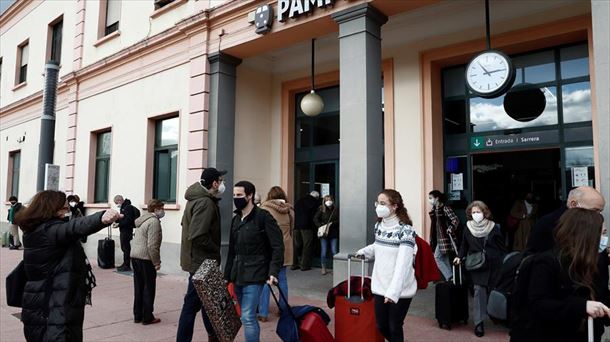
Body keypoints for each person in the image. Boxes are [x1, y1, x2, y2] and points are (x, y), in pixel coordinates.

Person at [15, 190, 121, 341]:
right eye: (65, 208)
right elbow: (75, 227)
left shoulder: (36, 229)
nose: (68, 211)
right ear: (52, 209)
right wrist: (101, 218)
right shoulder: (49, 230)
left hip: (44, 301)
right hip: (53, 306)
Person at [510, 208, 609, 342]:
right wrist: (582, 306)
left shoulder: (591, 263)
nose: (605, 240)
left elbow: (600, 297)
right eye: (602, 234)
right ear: (587, 236)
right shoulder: (547, 262)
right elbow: (539, 304)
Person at [224, 181, 284, 342]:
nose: (236, 198)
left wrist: (273, 271)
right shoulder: (236, 220)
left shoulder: (263, 217)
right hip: (238, 275)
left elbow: (277, 246)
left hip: (256, 274)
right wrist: (227, 276)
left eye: (239, 195)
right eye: (234, 195)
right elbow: (231, 250)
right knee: (244, 316)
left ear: (250, 195)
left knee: (248, 316)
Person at [356, 189, 417, 342]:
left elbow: (403, 263)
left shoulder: (405, 230)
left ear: (394, 206)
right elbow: (378, 246)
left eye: (383, 203)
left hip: (400, 288)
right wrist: (365, 252)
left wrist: (393, 292)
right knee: (381, 325)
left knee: (394, 326)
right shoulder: (379, 226)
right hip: (380, 285)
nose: (378, 206)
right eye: (377, 203)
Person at [177, 167, 226, 342]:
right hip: (202, 263)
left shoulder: (196, 199)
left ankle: (213, 336)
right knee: (191, 306)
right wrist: (214, 250)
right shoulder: (205, 203)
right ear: (214, 183)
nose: (222, 184)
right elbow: (198, 235)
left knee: (207, 303)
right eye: (220, 181)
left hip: (198, 261)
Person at [454, 200, 505, 337]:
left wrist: (502, 260)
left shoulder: (493, 227)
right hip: (477, 264)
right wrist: (459, 256)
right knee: (478, 290)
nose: (476, 214)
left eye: (479, 212)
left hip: (493, 263)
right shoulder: (468, 227)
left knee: (493, 290)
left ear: (485, 212)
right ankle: (479, 322)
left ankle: (496, 314)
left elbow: (501, 247)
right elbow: (464, 245)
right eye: (473, 212)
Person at [527, 186, 606, 254]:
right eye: (594, 210)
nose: (598, 216)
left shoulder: (586, 224)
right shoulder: (548, 224)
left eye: (600, 211)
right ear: (574, 204)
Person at [258, 186, 294, 322]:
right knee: (282, 278)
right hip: (286, 247)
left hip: (270, 248)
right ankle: (283, 309)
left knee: (267, 279)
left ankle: (263, 312)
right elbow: (292, 229)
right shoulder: (290, 210)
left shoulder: (265, 209)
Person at [131, 199, 164, 325]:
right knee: (149, 288)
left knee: (138, 287)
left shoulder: (142, 220)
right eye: (162, 208)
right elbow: (152, 245)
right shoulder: (154, 222)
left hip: (135, 256)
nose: (163, 211)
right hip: (146, 258)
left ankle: (137, 315)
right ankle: (147, 316)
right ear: (156, 209)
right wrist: (156, 262)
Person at [428, 190, 460, 281]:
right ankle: (451, 279)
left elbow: (455, 220)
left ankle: (449, 276)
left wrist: (450, 229)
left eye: (431, 198)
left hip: (444, 238)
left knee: (437, 257)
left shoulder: (445, 208)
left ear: (437, 198)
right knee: (444, 258)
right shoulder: (434, 209)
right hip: (437, 237)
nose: (429, 200)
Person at [292, 191, 320, 271]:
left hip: (296, 225)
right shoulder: (314, 203)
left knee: (296, 246)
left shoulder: (299, 201)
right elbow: (314, 216)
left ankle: (294, 264)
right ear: (316, 197)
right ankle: (304, 265)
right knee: (307, 246)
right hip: (307, 227)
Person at [314, 195, 339, 275]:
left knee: (334, 251)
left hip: (333, 233)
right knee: (324, 251)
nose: (328, 201)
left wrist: (332, 224)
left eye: (330, 199)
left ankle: (335, 268)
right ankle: (323, 267)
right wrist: (321, 225)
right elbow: (315, 219)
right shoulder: (321, 209)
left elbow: (339, 219)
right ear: (324, 201)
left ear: (333, 200)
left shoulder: (336, 210)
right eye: (326, 200)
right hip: (324, 233)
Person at [113, 195, 138, 272]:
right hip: (124, 230)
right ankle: (125, 263)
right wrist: (117, 220)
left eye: (116, 203)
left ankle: (127, 265)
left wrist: (119, 224)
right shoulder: (124, 207)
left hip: (127, 231)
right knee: (124, 247)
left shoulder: (127, 207)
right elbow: (124, 218)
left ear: (120, 200)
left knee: (126, 248)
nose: (117, 204)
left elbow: (128, 220)